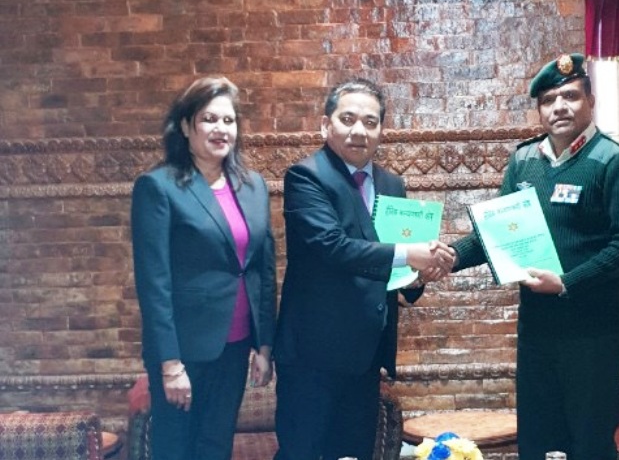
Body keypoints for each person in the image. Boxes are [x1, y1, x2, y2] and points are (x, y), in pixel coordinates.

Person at [451, 54, 619, 460]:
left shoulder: (618, 160)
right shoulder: (524, 161)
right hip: (537, 330)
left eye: (570, 96)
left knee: (589, 443)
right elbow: (498, 234)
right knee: (538, 441)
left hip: (594, 332)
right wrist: (446, 257)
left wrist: (566, 283)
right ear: (540, 110)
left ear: (590, 101)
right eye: (548, 100)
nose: (559, 107)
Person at [273, 78, 455, 460]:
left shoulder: (391, 184)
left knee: (354, 453)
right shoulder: (306, 177)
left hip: (366, 357)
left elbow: (392, 267)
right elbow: (333, 247)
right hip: (312, 357)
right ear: (326, 125)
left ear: (381, 130)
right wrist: (410, 255)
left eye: (370, 122)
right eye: (348, 119)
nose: (359, 130)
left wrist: (418, 276)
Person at [130, 76, 277, 460]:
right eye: (209, 119)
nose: (220, 129)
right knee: (177, 450)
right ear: (185, 126)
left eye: (229, 120)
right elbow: (154, 284)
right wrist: (169, 365)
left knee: (216, 446)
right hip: (184, 351)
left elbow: (263, 270)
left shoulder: (253, 186)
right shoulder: (158, 187)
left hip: (236, 347)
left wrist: (264, 345)